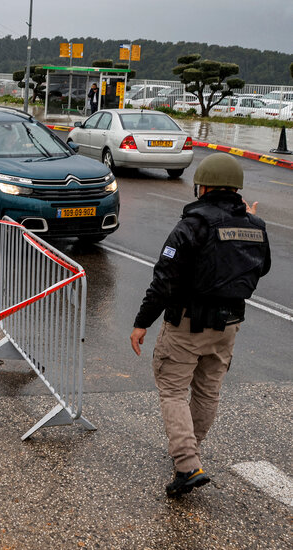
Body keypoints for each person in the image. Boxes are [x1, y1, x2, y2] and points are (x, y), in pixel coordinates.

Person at [130, 153, 270, 498]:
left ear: (202, 186)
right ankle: (189, 451)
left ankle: (187, 465)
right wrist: (252, 222)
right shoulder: (255, 225)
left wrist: (141, 322)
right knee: (208, 391)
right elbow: (261, 268)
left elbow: (164, 279)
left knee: (173, 390)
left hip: (187, 325)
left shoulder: (191, 225)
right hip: (229, 326)